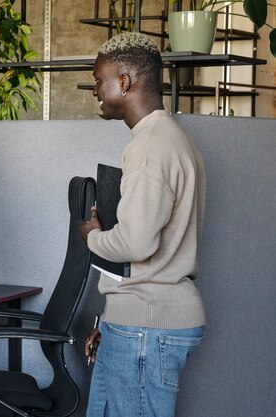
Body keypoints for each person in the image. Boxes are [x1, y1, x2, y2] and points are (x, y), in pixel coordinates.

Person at [79, 32, 206, 417]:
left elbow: (136, 244)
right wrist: (113, 320)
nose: (95, 89)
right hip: (138, 324)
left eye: (99, 78)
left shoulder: (151, 146)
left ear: (125, 81)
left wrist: (93, 237)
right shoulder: (167, 139)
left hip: (148, 328)